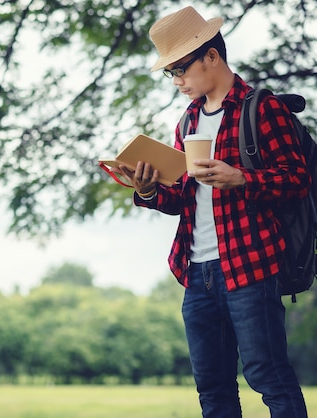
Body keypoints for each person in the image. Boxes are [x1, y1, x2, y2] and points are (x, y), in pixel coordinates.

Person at [114, 6, 309, 417]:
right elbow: (183, 198)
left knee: (269, 378)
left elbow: (297, 181)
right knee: (213, 389)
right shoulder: (187, 123)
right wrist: (148, 190)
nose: (178, 81)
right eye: (171, 73)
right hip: (196, 272)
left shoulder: (261, 109)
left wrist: (241, 179)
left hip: (251, 267)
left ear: (212, 56)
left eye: (181, 68)